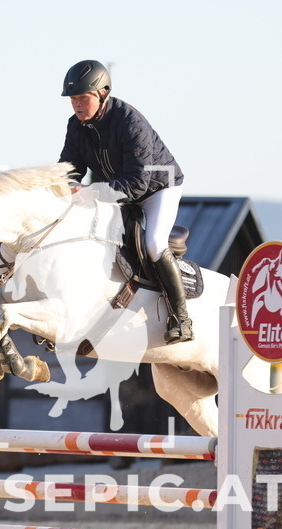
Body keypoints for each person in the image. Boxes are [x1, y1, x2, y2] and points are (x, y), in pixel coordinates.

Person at [58, 59, 192, 344]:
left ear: (103, 93)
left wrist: (91, 193)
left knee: (155, 244)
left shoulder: (129, 121)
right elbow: (69, 167)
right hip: (119, 190)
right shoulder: (76, 126)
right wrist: (63, 184)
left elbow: (136, 184)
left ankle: (182, 318)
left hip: (156, 190)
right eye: (73, 100)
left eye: (83, 98)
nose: (77, 105)